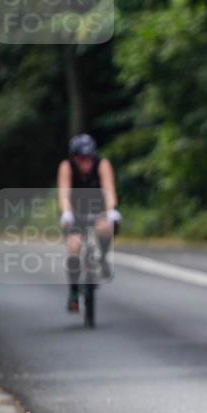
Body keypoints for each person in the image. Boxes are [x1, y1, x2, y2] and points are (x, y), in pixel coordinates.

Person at [57, 134, 121, 313]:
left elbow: (109, 189)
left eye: (89, 158)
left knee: (105, 227)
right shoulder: (66, 167)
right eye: (81, 158)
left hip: (98, 208)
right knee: (74, 246)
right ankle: (73, 292)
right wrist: (67, 213)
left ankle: (103, 257)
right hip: (75, 211)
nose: (86, 162)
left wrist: (111, 210)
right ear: (74, 157)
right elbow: (63, 192)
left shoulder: (102, 164)